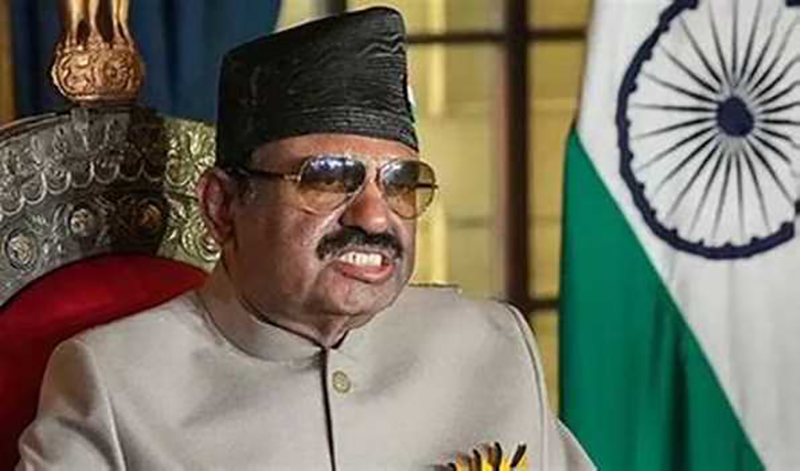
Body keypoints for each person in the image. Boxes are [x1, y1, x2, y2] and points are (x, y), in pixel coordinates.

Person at [17, 7, 594, 470]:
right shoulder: (113, 383)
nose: (375, 217)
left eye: (400, 183)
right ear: (222, 205)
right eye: (328, 178)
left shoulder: (492, 345)